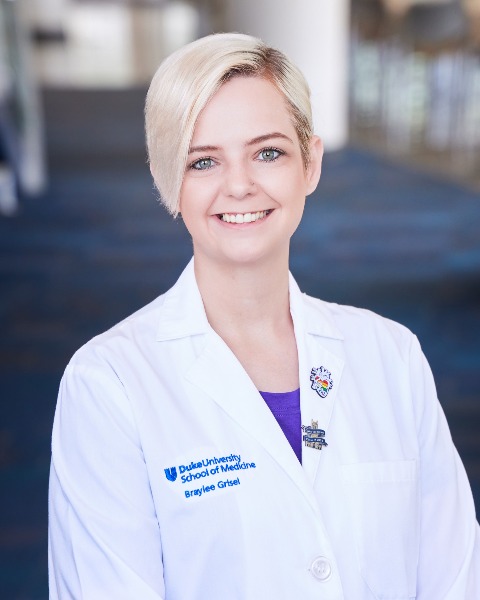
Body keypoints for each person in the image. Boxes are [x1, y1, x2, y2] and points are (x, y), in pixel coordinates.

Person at [48, 33, 480, 599]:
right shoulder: (109, 384)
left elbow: (455, 578)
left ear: (311, 164)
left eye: (268, 153)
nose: (239, 185)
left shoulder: (392, 356)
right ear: (167, 180)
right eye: (204, 161)